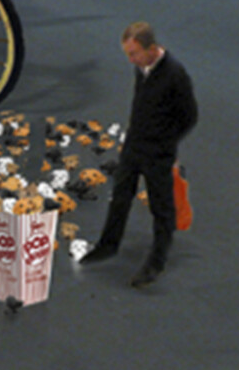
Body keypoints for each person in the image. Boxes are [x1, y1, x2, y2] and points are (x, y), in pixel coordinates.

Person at [80, 22, 198, 288]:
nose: (130, 60)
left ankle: (156, 262)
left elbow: (190, 116)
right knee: (120, 196)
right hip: (134, 146)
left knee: (161, 207)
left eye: (133, 54)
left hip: (158, 152)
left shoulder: (175, 74)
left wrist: (166, 143)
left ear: (151, 48)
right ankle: (108, 245)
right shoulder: (142, 68)